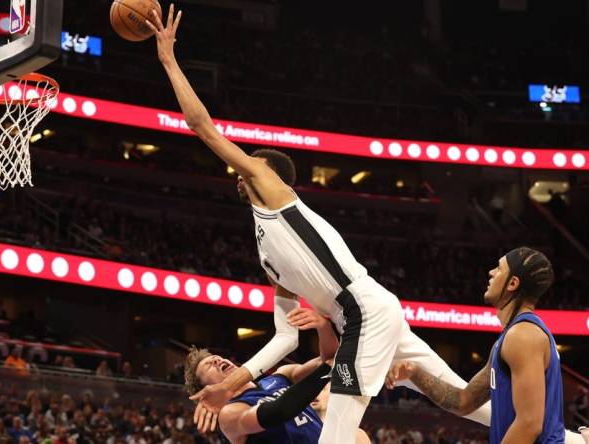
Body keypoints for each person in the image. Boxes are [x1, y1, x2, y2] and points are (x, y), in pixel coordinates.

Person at [146, 7, 490, 442]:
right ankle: (582, 439)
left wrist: (168, 60)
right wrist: (234, 383)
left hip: (363, 313)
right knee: (461, 399)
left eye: (254, 162)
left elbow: (202, 126)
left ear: (270, 174)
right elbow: (286, 338)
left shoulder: (273, 192)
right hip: (363, 316)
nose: (244, 167)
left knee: (337, 437)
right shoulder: (268, 253)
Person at [386, 247, 589, 444]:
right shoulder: (512, 337)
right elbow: (463, 401)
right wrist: (415, 373)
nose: (491, 273)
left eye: (499, 269)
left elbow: (529, 423)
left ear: (513, 283)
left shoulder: (523, 336)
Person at [184, 307, 370, 443]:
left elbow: (328, 358)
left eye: (218, 358)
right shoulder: (230, 414)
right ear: (206, 389)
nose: (217, 361)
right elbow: (279, 411)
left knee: (358, 436)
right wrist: (327, 368)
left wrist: (324, 327)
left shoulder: (280, 376)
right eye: (209, 365)